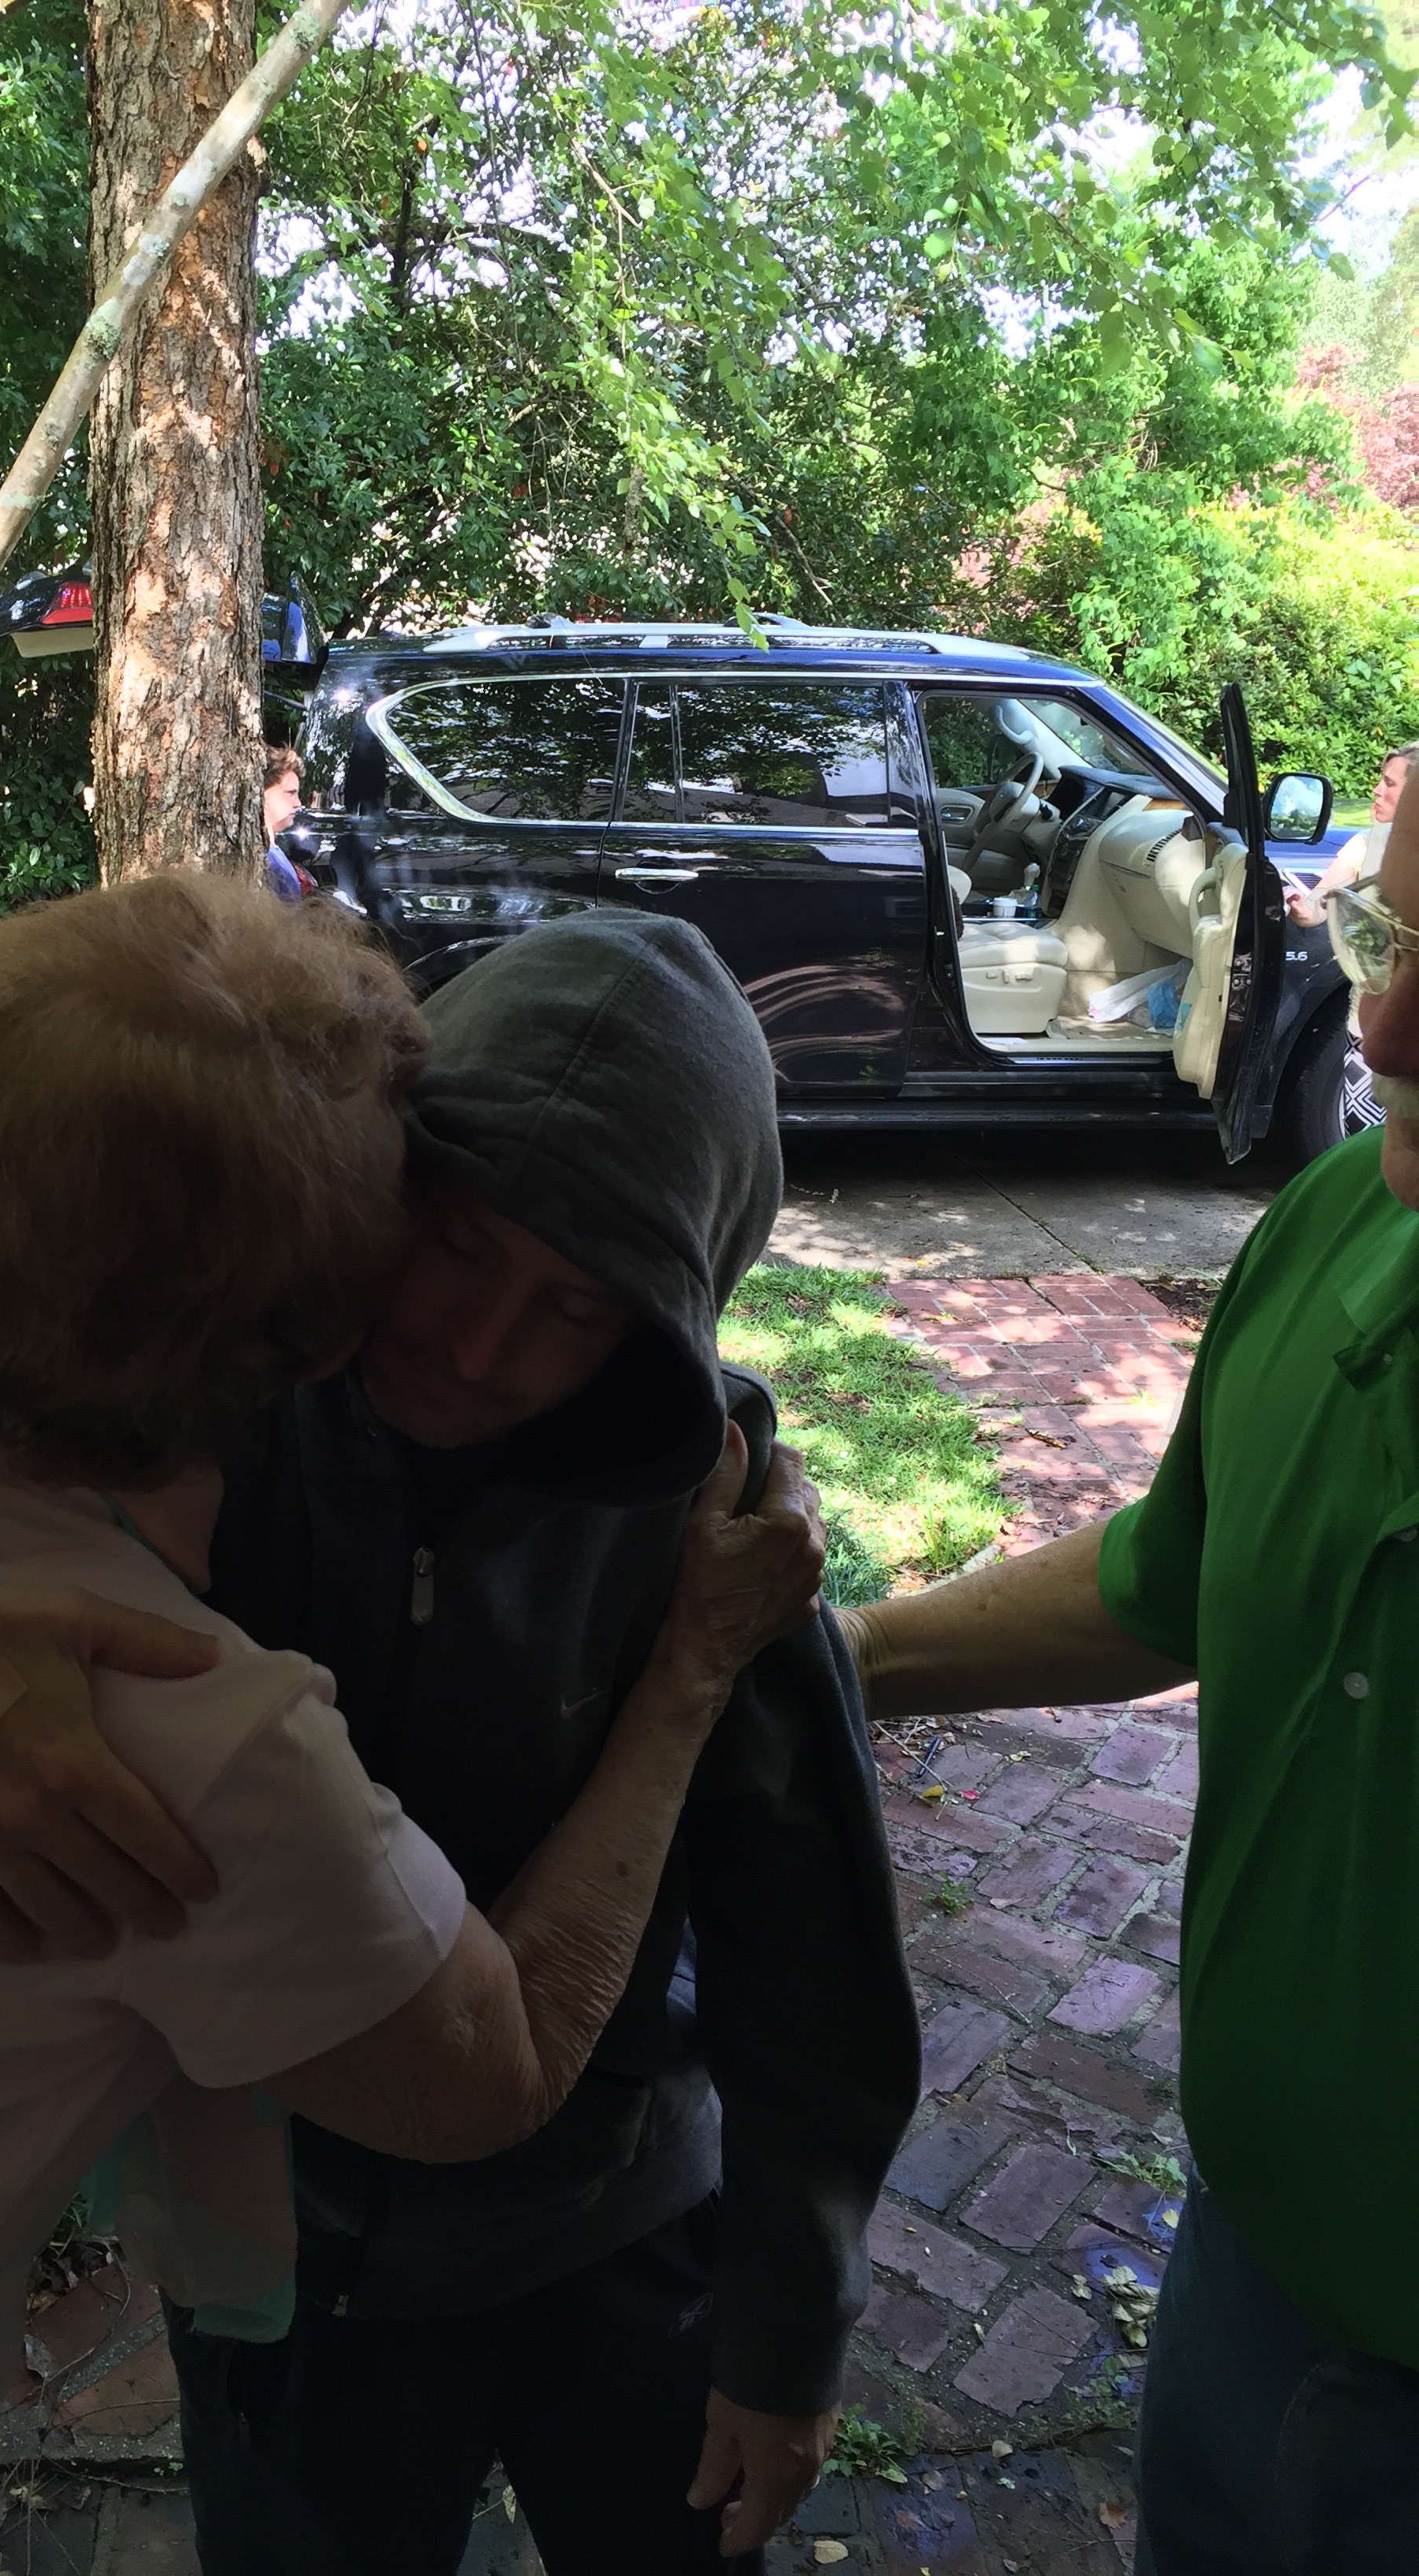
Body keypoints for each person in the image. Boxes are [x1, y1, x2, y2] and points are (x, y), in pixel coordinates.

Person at [0, 909, 921, 2571]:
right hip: (299, 2272)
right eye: (455, 1243)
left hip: (615, 2219)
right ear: (365, 1205)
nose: (478, 1345)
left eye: (577, 1307)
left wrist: (790, 2322)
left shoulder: (710, 1507)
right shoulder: (185, 1329)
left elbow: (807, 1928)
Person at [839, 777, 1419, 2570]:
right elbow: (1167, 1579)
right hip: (1241, 2271)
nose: (1384, 1032)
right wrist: (835, 1654)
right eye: (1388, 939)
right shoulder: (1337, 1224)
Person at [1282, 739, 1416, 925]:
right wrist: (1300, 905)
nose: (1377, 790)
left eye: (1390, 783)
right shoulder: (1365, 842)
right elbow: (1318, 906)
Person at [263, 741, 313, 904]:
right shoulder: (264, 860)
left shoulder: (273, 852)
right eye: (290, 793)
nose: (298, 803)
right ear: (262, 793)